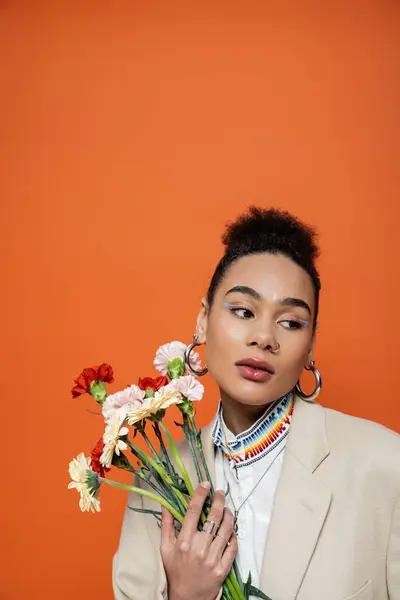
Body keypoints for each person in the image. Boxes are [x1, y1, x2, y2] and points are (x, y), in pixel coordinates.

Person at [113, 207, 400, 600]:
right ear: (203, 320)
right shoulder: (158, 479)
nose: (264, 337)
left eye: (291, 322)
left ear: (311, 344)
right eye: (243, 311)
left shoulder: (385, 464)